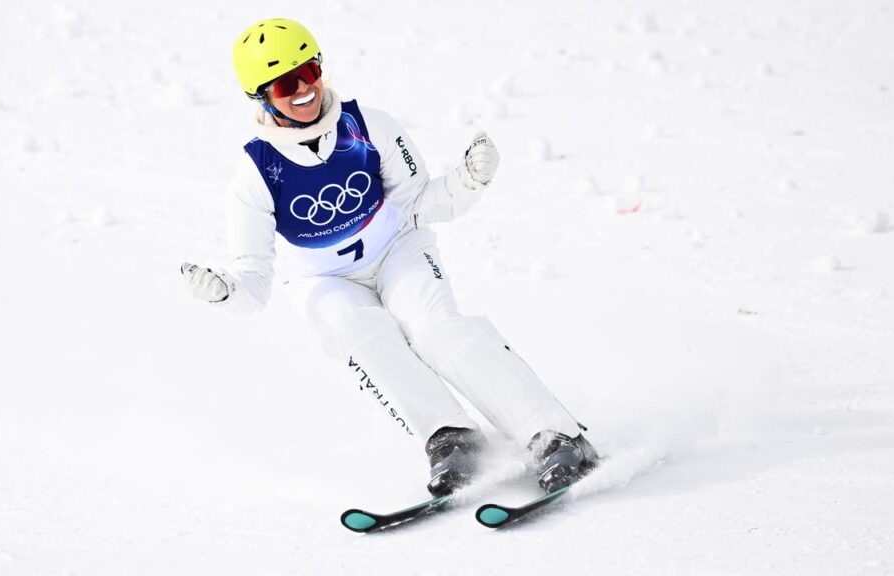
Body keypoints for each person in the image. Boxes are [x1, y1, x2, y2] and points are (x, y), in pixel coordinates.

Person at [180, 17, 598, 496]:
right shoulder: (256, 173)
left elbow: (421, 203)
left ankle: (555, 435)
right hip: (325, 281)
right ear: (261, 98)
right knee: (357, 332)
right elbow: (253, 286)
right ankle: (452, 439)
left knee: (435, 330)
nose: (304, 90)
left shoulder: (369, 126)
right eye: (284, 83)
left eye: (311, 71)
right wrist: (224, 293)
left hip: (398, 251)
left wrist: (468, 180)